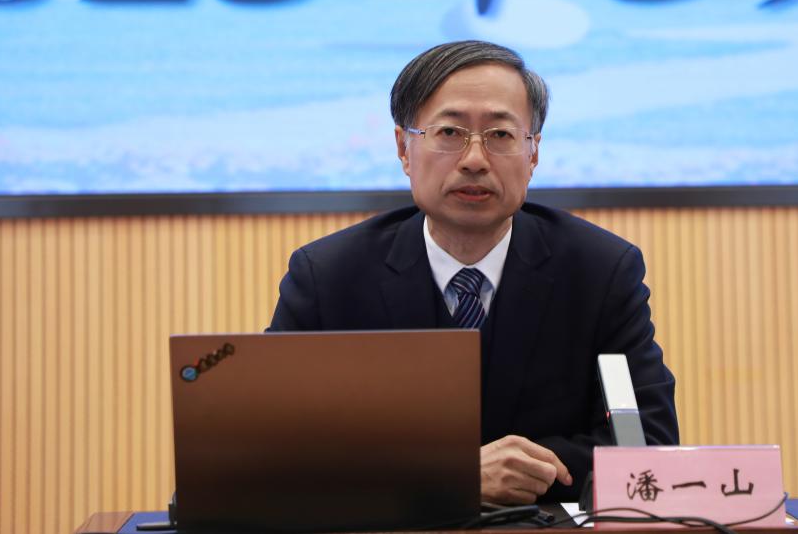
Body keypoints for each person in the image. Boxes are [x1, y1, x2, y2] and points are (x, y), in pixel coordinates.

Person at [268, 40, 678, 504]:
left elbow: (648, 444)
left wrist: (515, 472)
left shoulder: (599, 271)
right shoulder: (328, 277)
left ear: (533, 153)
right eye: (449, 132)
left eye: (500, 135)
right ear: (404, 148)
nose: (475, 160)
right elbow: (273, 451)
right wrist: (454, 474)